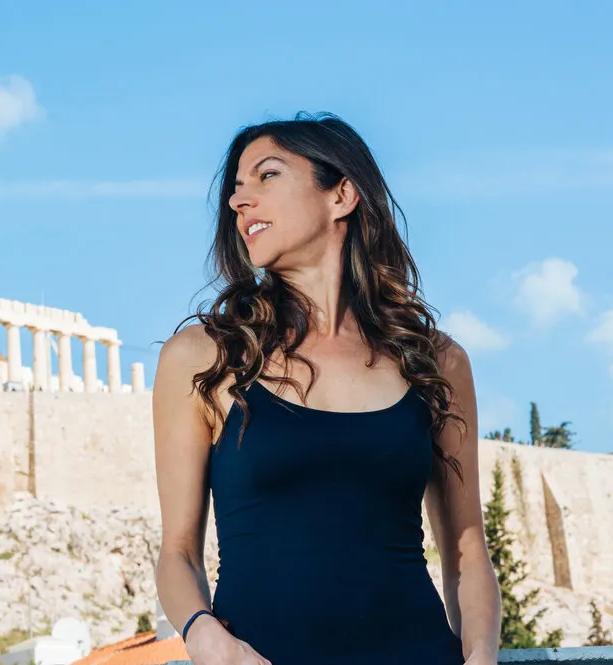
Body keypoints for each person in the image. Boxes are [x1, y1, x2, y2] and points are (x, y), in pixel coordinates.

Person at [152, 113, 502, 665]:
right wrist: (205, 636)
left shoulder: (436, 360)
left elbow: (466, 549)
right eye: (236, 189)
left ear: (341, 194)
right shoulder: (205, 356)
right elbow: (177, 552)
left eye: (266, 176)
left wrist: (480, 656)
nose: (239, 202)